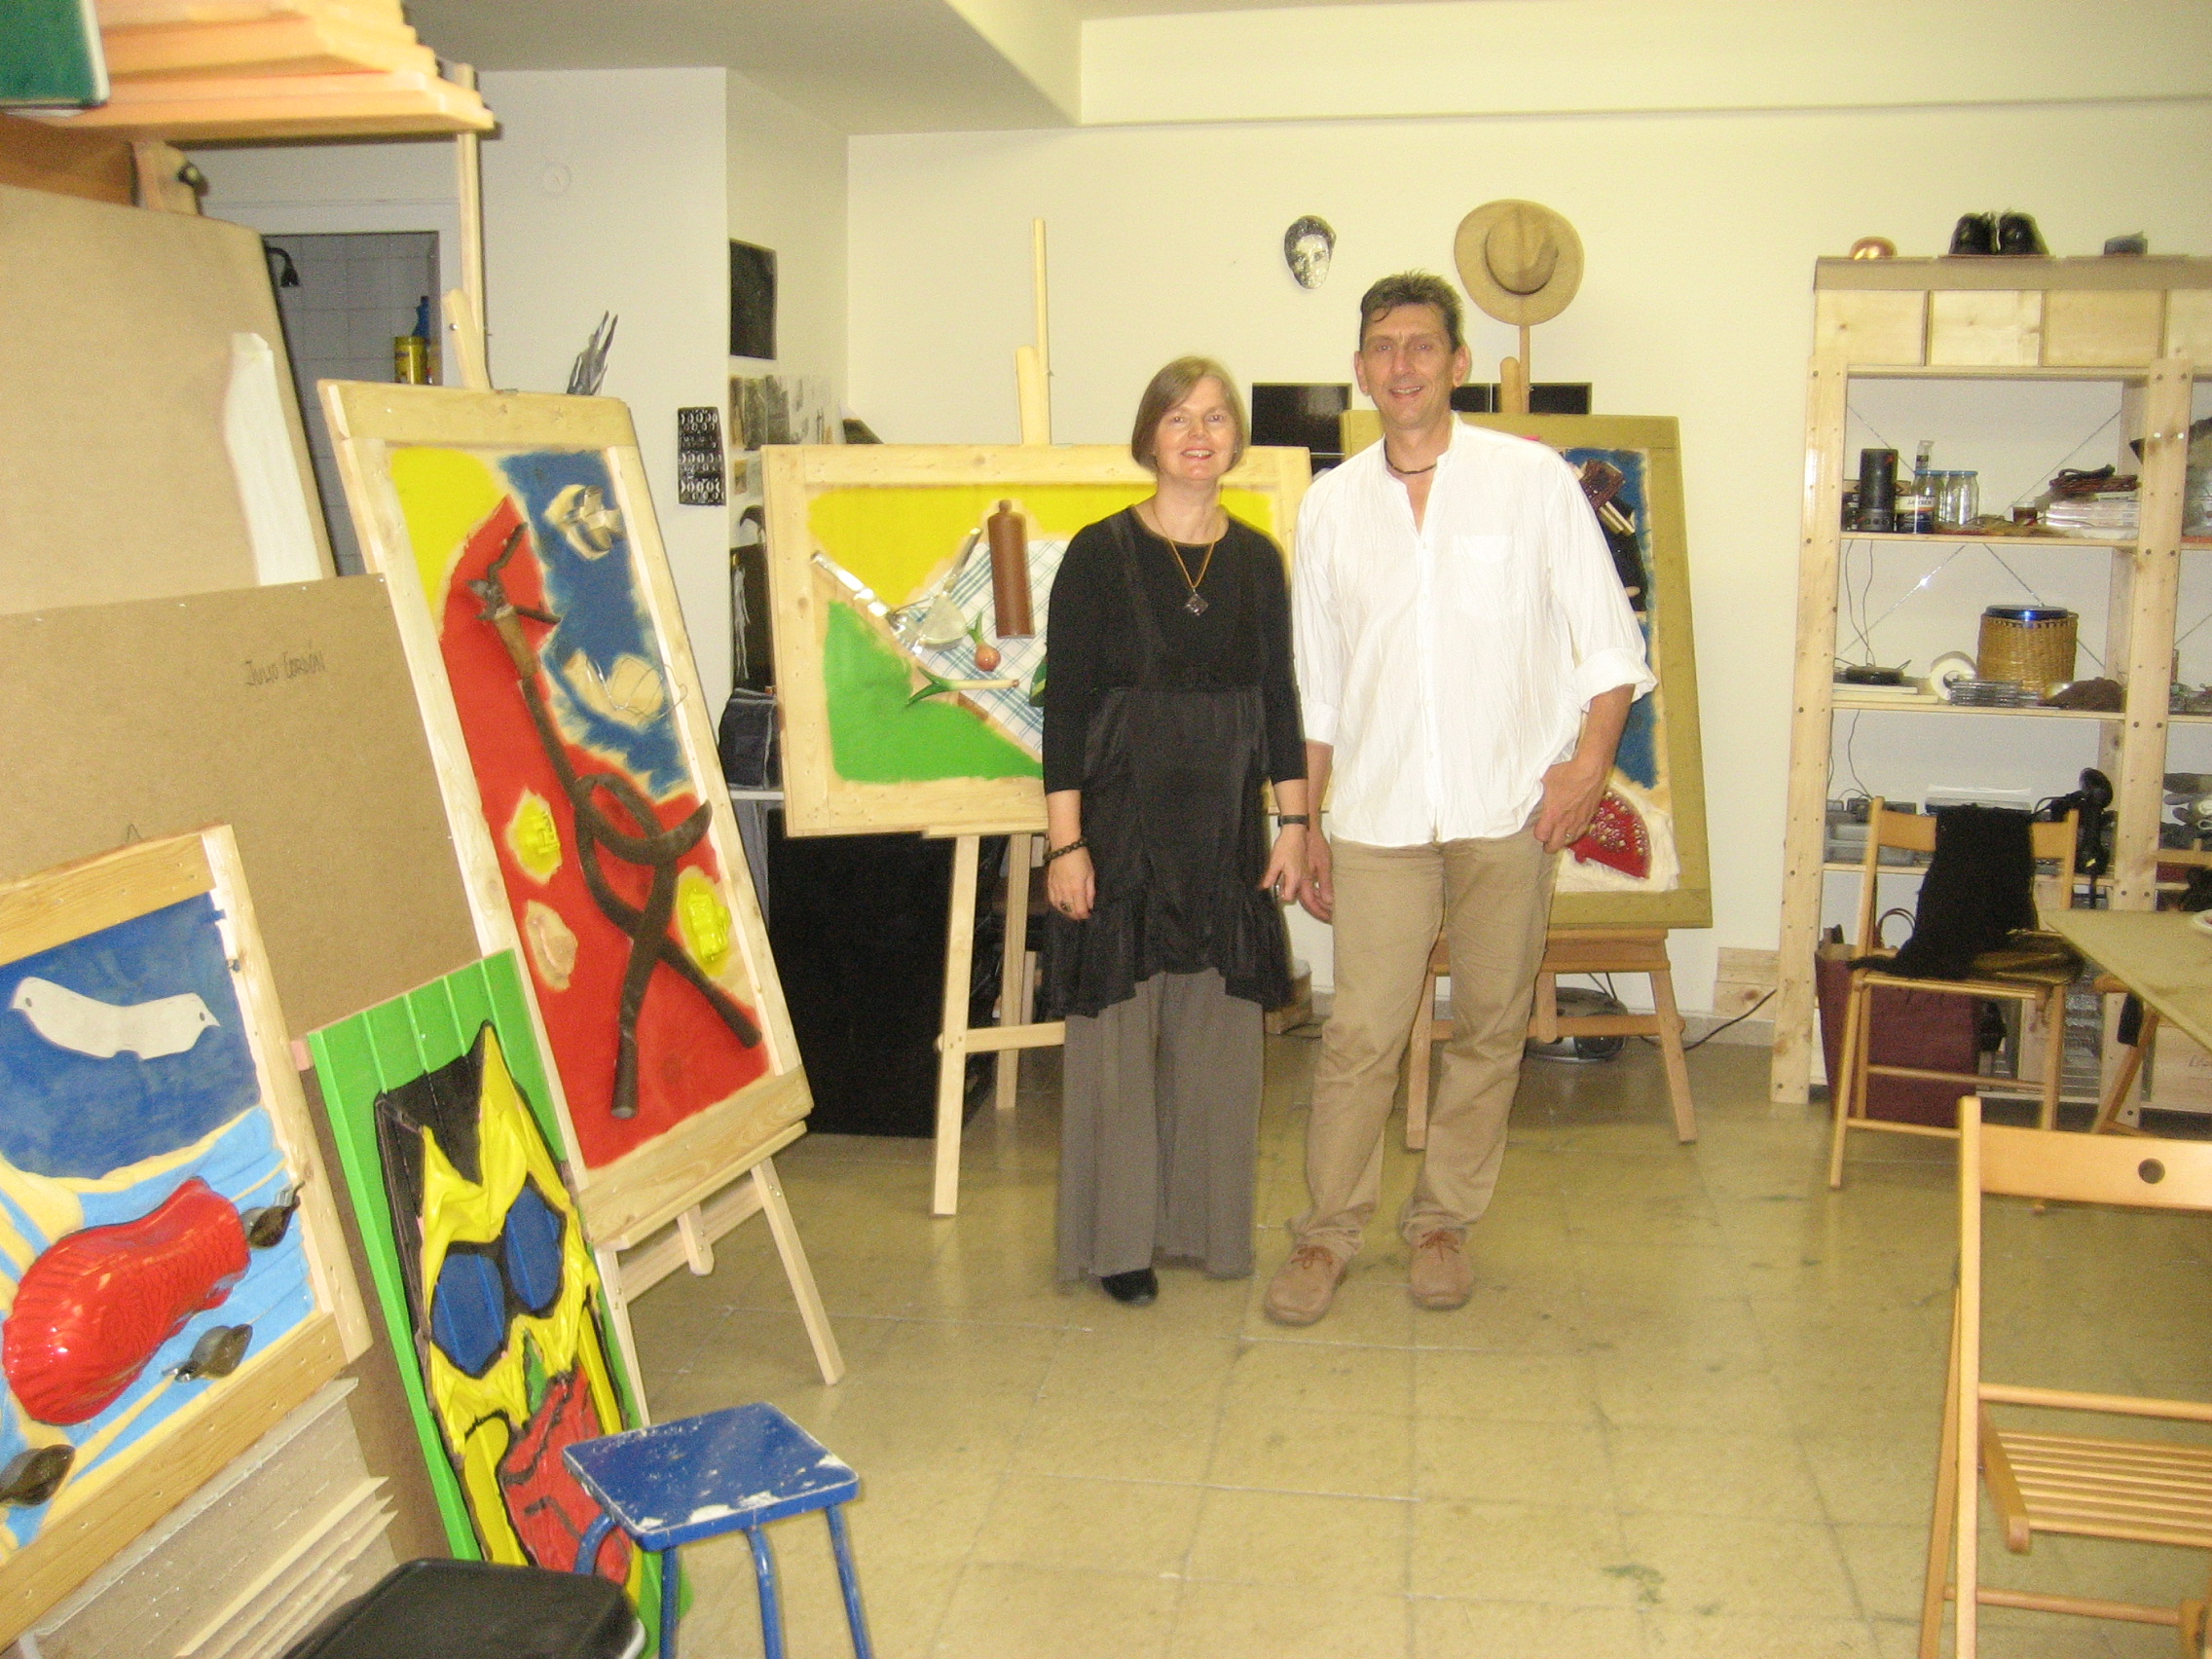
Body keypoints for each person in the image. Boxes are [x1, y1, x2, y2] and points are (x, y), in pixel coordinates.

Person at [1266, 273, 1654, 1326]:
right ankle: (1327, 1234)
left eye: (1422, 345)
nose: (1403, 364)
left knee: (1488, 1026)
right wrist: (1303, 822)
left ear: (1457, 362)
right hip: (1378, 815)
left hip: (1506, 810)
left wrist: (1588, 765)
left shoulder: (1531, 483)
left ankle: (1442, 1223)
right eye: (1384, 347)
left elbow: (1607, 644)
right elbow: (1317, 686)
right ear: (1361, 369)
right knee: (1361, 1036)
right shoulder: (1332, 506)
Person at [1041, 357, 1310, 1306]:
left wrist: (1294, 822)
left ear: (1235, 439)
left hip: (1224, 835)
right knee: (1117, 1046)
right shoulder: (1097, 555)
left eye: (1215, 417)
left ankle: (1204, 1227)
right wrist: (1066, 844)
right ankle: (1118, 1243)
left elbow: (1279, 700)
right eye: (1179, 418)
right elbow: (1064, 711)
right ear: (1149, 437)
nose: (1199, 435)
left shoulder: (1257, 560)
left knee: (1217, 1044)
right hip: (1119, 833)